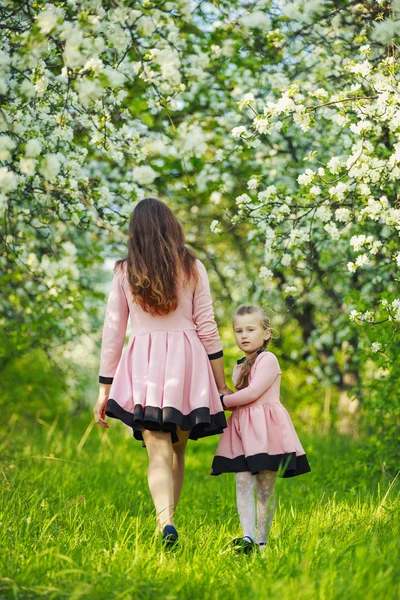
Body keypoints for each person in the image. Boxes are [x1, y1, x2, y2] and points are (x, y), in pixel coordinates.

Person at [93, 197, 230, 547]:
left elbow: (113, 332)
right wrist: (220, 384)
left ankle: (164, 524)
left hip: (146, 366)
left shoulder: (124, 271)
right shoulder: (193, 268)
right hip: (189, 364)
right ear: (172, 227)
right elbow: (208, 327)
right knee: (178, 450)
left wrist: (104, 387)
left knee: (157, 449)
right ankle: (169, 520)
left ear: (134, 232)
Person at [211, 304, 311, 553]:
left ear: (266, 333)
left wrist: (220, 402)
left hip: (266, 432)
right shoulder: (239, 365)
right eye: (239, 330)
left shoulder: (268, 359)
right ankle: (248, 538)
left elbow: (253, 393)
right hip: (244, 432)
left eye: (250, 329)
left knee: (265, 487)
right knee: (243, 481)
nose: (244, 335)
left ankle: (263, 541)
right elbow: (241, 400)